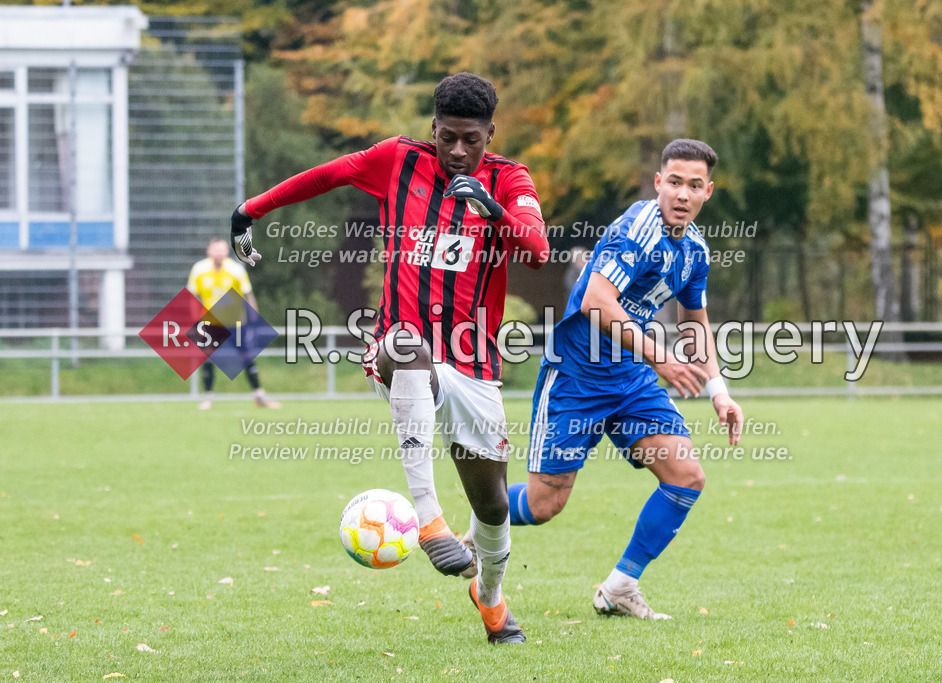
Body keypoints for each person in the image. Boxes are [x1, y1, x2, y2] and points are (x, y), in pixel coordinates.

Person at [229, 72, 549, 644]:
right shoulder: (397, 161)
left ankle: (492, 598)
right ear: (432, 129)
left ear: (489, 136)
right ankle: (427, 519)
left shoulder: (509, 179)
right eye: (447, 137)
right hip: (400, 351)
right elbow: (326, 175)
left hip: (474, 366)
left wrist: (493, 210)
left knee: (495, 506)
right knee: (407, 345)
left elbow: (537, 249)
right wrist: (251, 209)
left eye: (470, 140)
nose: (457, 151)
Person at [505, 139, 744, 619]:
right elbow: (596, 301)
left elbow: (695, 321)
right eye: (673, 182)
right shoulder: (636, 229)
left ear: (708, 192)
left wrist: (719, 391)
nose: (681, 194)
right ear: (658, 183)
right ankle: (476, 522)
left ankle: (619, 587)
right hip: (576, 375)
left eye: (693, 185)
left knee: (686, 477)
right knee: (546, 502)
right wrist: (661, 358)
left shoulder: (694, 249)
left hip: (630, 378)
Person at [187, 238, 280, 410]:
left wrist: (254, 320)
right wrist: (195, 321)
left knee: (246, 357)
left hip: (235, 321)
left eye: (222, 250)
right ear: (209, 251)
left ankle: (259, 395)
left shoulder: (236, 270)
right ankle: (207, 398)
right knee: (207, 357)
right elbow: (194, 297)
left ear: (227, 251)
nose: (219, 253)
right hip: (210, 322)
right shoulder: (199, 269)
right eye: (216, 250)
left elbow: (248, 294)